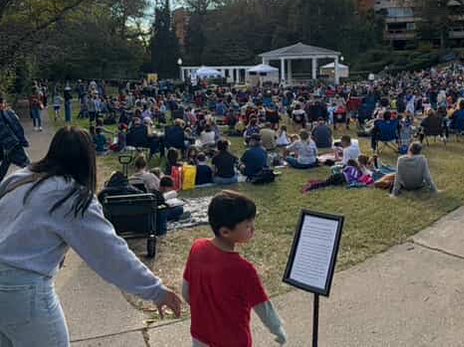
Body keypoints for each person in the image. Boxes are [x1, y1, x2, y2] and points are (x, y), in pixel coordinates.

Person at [0, 127, 183, 344]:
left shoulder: (22, 178)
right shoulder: (71, 196)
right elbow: (109, 253)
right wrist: (156, 290)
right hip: (21, 287)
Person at [183, 190, 287, 346]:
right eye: (247, 225)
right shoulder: (243, 269)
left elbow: (186, 291)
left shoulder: (197, 247)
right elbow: (263, 306)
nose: (253, 228)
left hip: (200, 335)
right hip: (232, 340)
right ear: (225, 231)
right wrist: (277, 329)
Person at [0, 97, 30, 179]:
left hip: (7, 148)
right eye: (3, 103)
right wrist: (22, 141)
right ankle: (35, 181)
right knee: (27, 166)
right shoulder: (6, 114)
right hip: (12, 145)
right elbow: (16, 128)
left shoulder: (5, 113)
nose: (4, 105)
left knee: (3, 169)